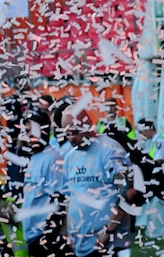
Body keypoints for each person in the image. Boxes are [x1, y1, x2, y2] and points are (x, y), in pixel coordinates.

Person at [61, 106, 135, 257]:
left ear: (87, 126)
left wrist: (107, 232)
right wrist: (68, 230)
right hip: (81, 244)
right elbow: (70, 197)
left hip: (110, 244)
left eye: (75, 132)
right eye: (67, 133)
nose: (71, 138)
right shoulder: (70, 157)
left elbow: (126, 195)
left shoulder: (111, 151)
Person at [19, 110, 71, 256]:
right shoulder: (35, 158)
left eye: (32, 130)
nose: (29, 136)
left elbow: (60, 200)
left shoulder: (52, 159)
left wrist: (49, 237)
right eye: (26, 131)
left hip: (44, 238)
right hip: (32, 236)